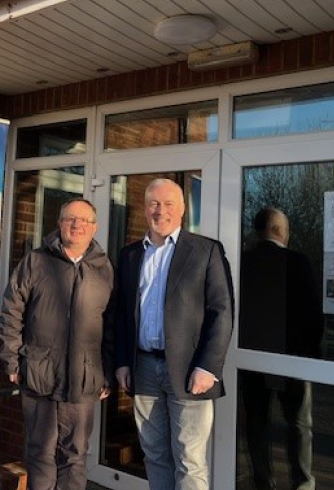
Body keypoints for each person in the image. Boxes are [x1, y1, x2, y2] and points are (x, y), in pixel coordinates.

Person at [114, 178, 234, 490]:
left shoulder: (206, 250)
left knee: (190, 460)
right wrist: (122, 362)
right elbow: (122, 313)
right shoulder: (129, 255)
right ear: (145, 209)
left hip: (189, 372)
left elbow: (221, 311)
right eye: (154, 203)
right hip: (143, 368)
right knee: (154, 455)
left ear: (181, 210)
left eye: (169, 204)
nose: (161, 211)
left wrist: (208, 366)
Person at [0, 198, 115, 490]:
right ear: (59, 223)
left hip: (84, 379)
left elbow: (112, 324)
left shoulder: (104, 268)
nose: (77, 225)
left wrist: (108, 371)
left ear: (94, 227)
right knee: (40, 453)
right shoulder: (36, 261)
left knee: (75, 455)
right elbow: (12, 310)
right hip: (39, 374)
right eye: (70, 219)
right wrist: (11, 359)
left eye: (84, 220)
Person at [239, 207, 324, 490]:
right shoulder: (297, 262)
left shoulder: (242, 262)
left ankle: (263, 482)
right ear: (279, 230)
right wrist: (312, 356)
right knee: (299, 424)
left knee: (257, 424)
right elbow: (313, 313)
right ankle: (302, 483)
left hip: (250, 360)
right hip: (293, 360)